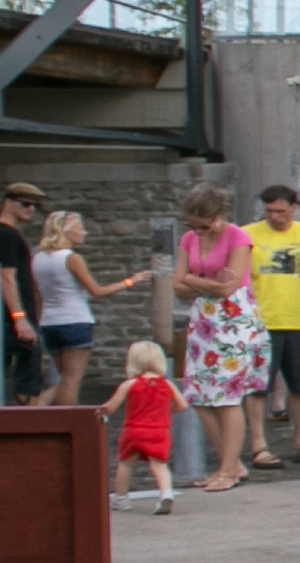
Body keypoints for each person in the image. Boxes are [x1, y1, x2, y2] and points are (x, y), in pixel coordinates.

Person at [172, 187, 268, 492]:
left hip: (234, 320)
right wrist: (206, 282)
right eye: (192, 226)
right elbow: (177, 284)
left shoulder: (238, 237)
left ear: (217, 217)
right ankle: (232, 462)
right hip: (203, 320)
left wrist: (193, 279)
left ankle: (228, 470)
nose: (198, 232)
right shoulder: (189, 240)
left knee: (227, 396)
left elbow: (229, 288)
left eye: (204, 226)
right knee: (198, 395)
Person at [245, 185, 300, 467]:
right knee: (258, 386)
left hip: (298, 320)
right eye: (269, 211)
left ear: (293, 208)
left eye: (280, 211)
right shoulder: (248, 234)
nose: (275, 216)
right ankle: (258, 444)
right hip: (260, 321)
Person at [34, 213, 143, 406]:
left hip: (49, 322)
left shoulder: (37, 259)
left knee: (64, 378)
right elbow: (97, 291)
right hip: (75, 321)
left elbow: (38, 297)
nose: (84, 232)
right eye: (79, 228)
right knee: (72, 380)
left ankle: (34, 411)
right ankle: (66, 420)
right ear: (66, 232)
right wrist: (130, 281)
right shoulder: (72, 258)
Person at [102, 342, 178, 514]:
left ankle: (121, 499)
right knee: (160, 465)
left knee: (126, 464)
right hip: (160, 430)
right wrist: (163, 411)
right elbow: (182, 405)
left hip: (134, 430)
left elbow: (110, 407)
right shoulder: (167, 384)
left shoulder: (129, 384)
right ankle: (166, 493)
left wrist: (97, 412)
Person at [0, 183, 42, 405]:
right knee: (29, 382)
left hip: (12, 318)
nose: (30, 209)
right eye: (25, 203)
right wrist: (19, 318)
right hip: (11, 319)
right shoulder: (7, 235)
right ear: (8, 203)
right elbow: (6, 277)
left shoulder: (11, 235)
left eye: (34, 205)